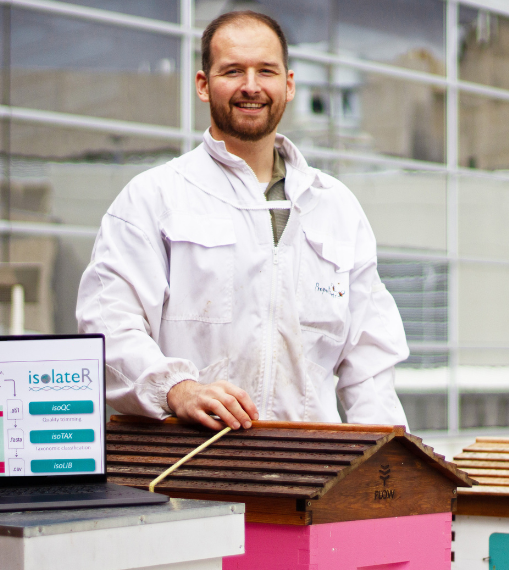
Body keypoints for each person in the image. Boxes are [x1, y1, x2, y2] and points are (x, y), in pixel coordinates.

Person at [75, 11, 409, 431]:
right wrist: (177, 388)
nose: (251, 86)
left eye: (265, 71)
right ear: (203, 84)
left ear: (288, 85)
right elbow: (107, 326)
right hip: (188, 470)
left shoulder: (336, 208)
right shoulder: (154, 198)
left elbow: (371, 360)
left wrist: (389, 467)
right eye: (233, 71)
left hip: (307, 472)